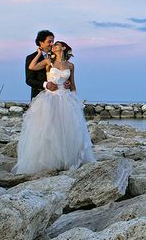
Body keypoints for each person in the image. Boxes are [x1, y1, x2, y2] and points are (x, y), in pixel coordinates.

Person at [13, 40, 96, 175]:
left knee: (68, 129)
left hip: (66, 98)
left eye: (57, 44)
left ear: (63, 47)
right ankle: (50, 161)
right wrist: (39, 53)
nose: (54, 46)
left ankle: (67, 160)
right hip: (50, 98)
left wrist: (76, 100)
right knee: (50, 129)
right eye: (53, 45)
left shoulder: (71, 65)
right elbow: (32, 67)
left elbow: (73, 84)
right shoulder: (48, 61)